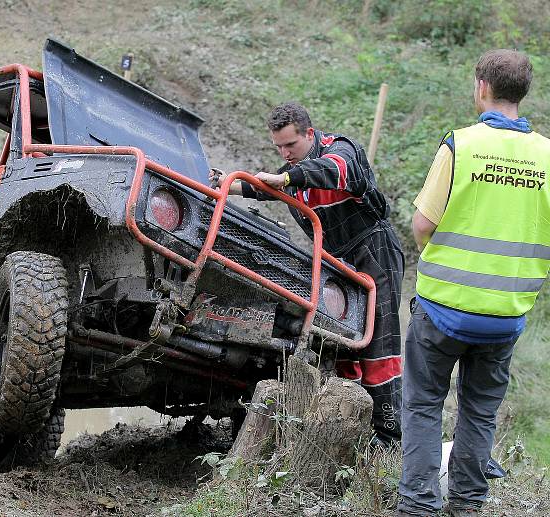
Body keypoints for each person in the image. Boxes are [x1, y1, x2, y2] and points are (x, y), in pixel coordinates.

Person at [397, 49, 550, 517]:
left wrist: (439, 260)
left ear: (482, 85)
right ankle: (467, 505)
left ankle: (419, 506)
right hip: (505, 316)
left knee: (424, 406)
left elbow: (422, 225)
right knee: (479, 412)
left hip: (442, 308)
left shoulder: (460, 145)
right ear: (521, 93)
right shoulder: (546, 155)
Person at [209, 102, 405, 444]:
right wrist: (227, 182)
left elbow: (334, 171)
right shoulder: (292, 171)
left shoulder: (341, 151)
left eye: (291, 146)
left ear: (310, 134)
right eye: (280, 148)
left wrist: (287, 176)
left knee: (379, 338)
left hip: (373, 247)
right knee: (340, 338)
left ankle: (389, 434)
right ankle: (350, 427)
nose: (286, 154)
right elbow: (265, 187)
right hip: (335, 257)